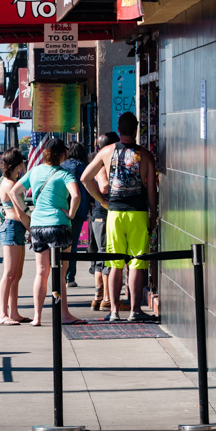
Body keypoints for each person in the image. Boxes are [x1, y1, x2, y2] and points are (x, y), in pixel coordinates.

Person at [81, 112, 158, 323]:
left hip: (114, 213)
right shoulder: (145, 155)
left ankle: (114, 311)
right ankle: (135, 310)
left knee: (115, 262)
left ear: (119, 128)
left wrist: (103, 200)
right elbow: (152, 191)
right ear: (135, 129)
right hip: (138, 213)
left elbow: (85, 178)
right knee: (136, 262)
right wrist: (154, 216)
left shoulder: (106, 152)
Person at [12, 136, 84, 326]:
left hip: (37, 226)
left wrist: (27, 211)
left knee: (41, 272)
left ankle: (37, 316)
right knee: (60, 273)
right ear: (62, 155)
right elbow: (76, 195)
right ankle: (64, 314)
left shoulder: (34, 172)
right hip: (60, 225)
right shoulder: (65, 174)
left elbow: (14, 192)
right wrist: (71, 213)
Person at [0, 148, 31, 325]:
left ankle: (14, 312)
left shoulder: (12, 182)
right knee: (9, 274)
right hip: (12, 227)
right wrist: (31, 227)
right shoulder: (9, 185)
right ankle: (3, 314)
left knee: (16, 274)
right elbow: (19, 210)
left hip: (17, 228)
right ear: (18, 164)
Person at [87, 132, 120, 311]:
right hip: (104, 212)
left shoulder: (98, 159)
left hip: (99, 212)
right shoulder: (102, 162)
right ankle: (106, 298)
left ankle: (98, 297)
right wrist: (104, 199)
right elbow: (104, 185)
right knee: (107, 255)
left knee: (101, 256)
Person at [60, 142, 93, 287]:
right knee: (72, 245)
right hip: (79, 211)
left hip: (62, 209)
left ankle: (59, 275)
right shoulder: (85, 168)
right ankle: (70, 277)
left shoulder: (61, 167)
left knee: (60, 245)